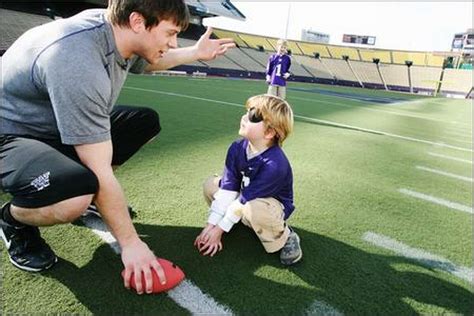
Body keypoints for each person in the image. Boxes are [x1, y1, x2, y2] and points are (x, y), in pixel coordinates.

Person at [0, 0, 234, 295]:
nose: (173, 42)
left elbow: (150, 59)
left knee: (143, 122)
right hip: (12, 134)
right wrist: (131, 244)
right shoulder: (77, 58)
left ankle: (91, 195)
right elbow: (99, 167)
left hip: (55, 124)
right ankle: (12, 220)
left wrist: (196, 53)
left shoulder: (116, 29)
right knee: (75, 197)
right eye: (170, 33)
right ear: (138, 22)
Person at [194, 94, 302, 265]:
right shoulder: (237, 147)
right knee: (211, 185)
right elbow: (229, 189)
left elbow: (245, 201)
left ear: (269, 132)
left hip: (266, 205)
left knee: (253, 209)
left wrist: (219, 231)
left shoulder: (275, 164)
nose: (244, 117)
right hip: (246, 198)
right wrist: (211, 225)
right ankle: (239, 220)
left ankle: (286, 235)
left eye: (253, 116)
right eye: (247, 111)